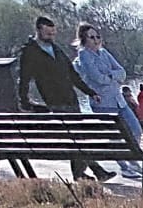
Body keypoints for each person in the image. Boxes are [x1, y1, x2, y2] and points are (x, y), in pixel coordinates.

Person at [17, 15, 109, 181]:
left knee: (77, 137)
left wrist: (90, 92)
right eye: (48, 34)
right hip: (54, 100)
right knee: (75, 137)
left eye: (53, 33)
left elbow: (72, 75)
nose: (51, 37)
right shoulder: (30, 52)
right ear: (38, 30)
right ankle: (94, 171)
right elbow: (24, 78)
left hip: (70, 98)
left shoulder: (56, 49)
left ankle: (84, 173)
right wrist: (24, 101)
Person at [73, 23, 142, 181]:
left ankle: (132, 158)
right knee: (115, 136)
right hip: (103, 103)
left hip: (119, 101)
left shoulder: (104, 53)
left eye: (98, 36)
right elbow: (97, 78)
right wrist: (112, 77)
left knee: (136, 129)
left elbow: (122, 72)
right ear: (84, 39)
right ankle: (125, 167)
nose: (96, 40)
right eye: (92, 37)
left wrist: (110, 76)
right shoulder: (84, 55)